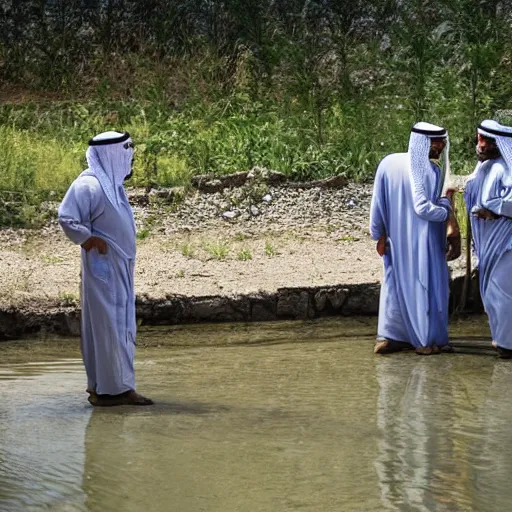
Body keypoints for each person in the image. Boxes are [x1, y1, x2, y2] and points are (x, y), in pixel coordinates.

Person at [58, 131, 153, 405]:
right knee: (108, 326)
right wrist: (88, 240)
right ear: (110, 153)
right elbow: (67, 217)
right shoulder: (88, 185)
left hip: (119, 267)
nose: (130, 154)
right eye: (125, 150)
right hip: (103, 269)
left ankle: (110, 387)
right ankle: (114, 390)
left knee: (120, 325)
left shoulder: (111, 185)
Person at [370, 122, 461, 355]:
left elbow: (377, 206)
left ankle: (391, 336)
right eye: (435, 142)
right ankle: (425, 340)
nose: (440, 146)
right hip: (425, 242)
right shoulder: (429, 172)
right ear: (422, 143)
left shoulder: (388, 163)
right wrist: (446, 210)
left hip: (396, 241)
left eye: (442, 141)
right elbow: (426, 209)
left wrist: (378, 234)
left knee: (395, 284)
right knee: (426, 285)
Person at [465, 119, 512, 358]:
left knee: (502, 292)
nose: (480, 146)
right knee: (491, 293)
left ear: (499, 144)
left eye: (486, 141)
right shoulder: (483, 168)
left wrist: (495, 209)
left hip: (506, 244)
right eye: (479, 139)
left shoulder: (507, 168)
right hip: (487, 243)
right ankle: (501, 340)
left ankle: (507, 344)